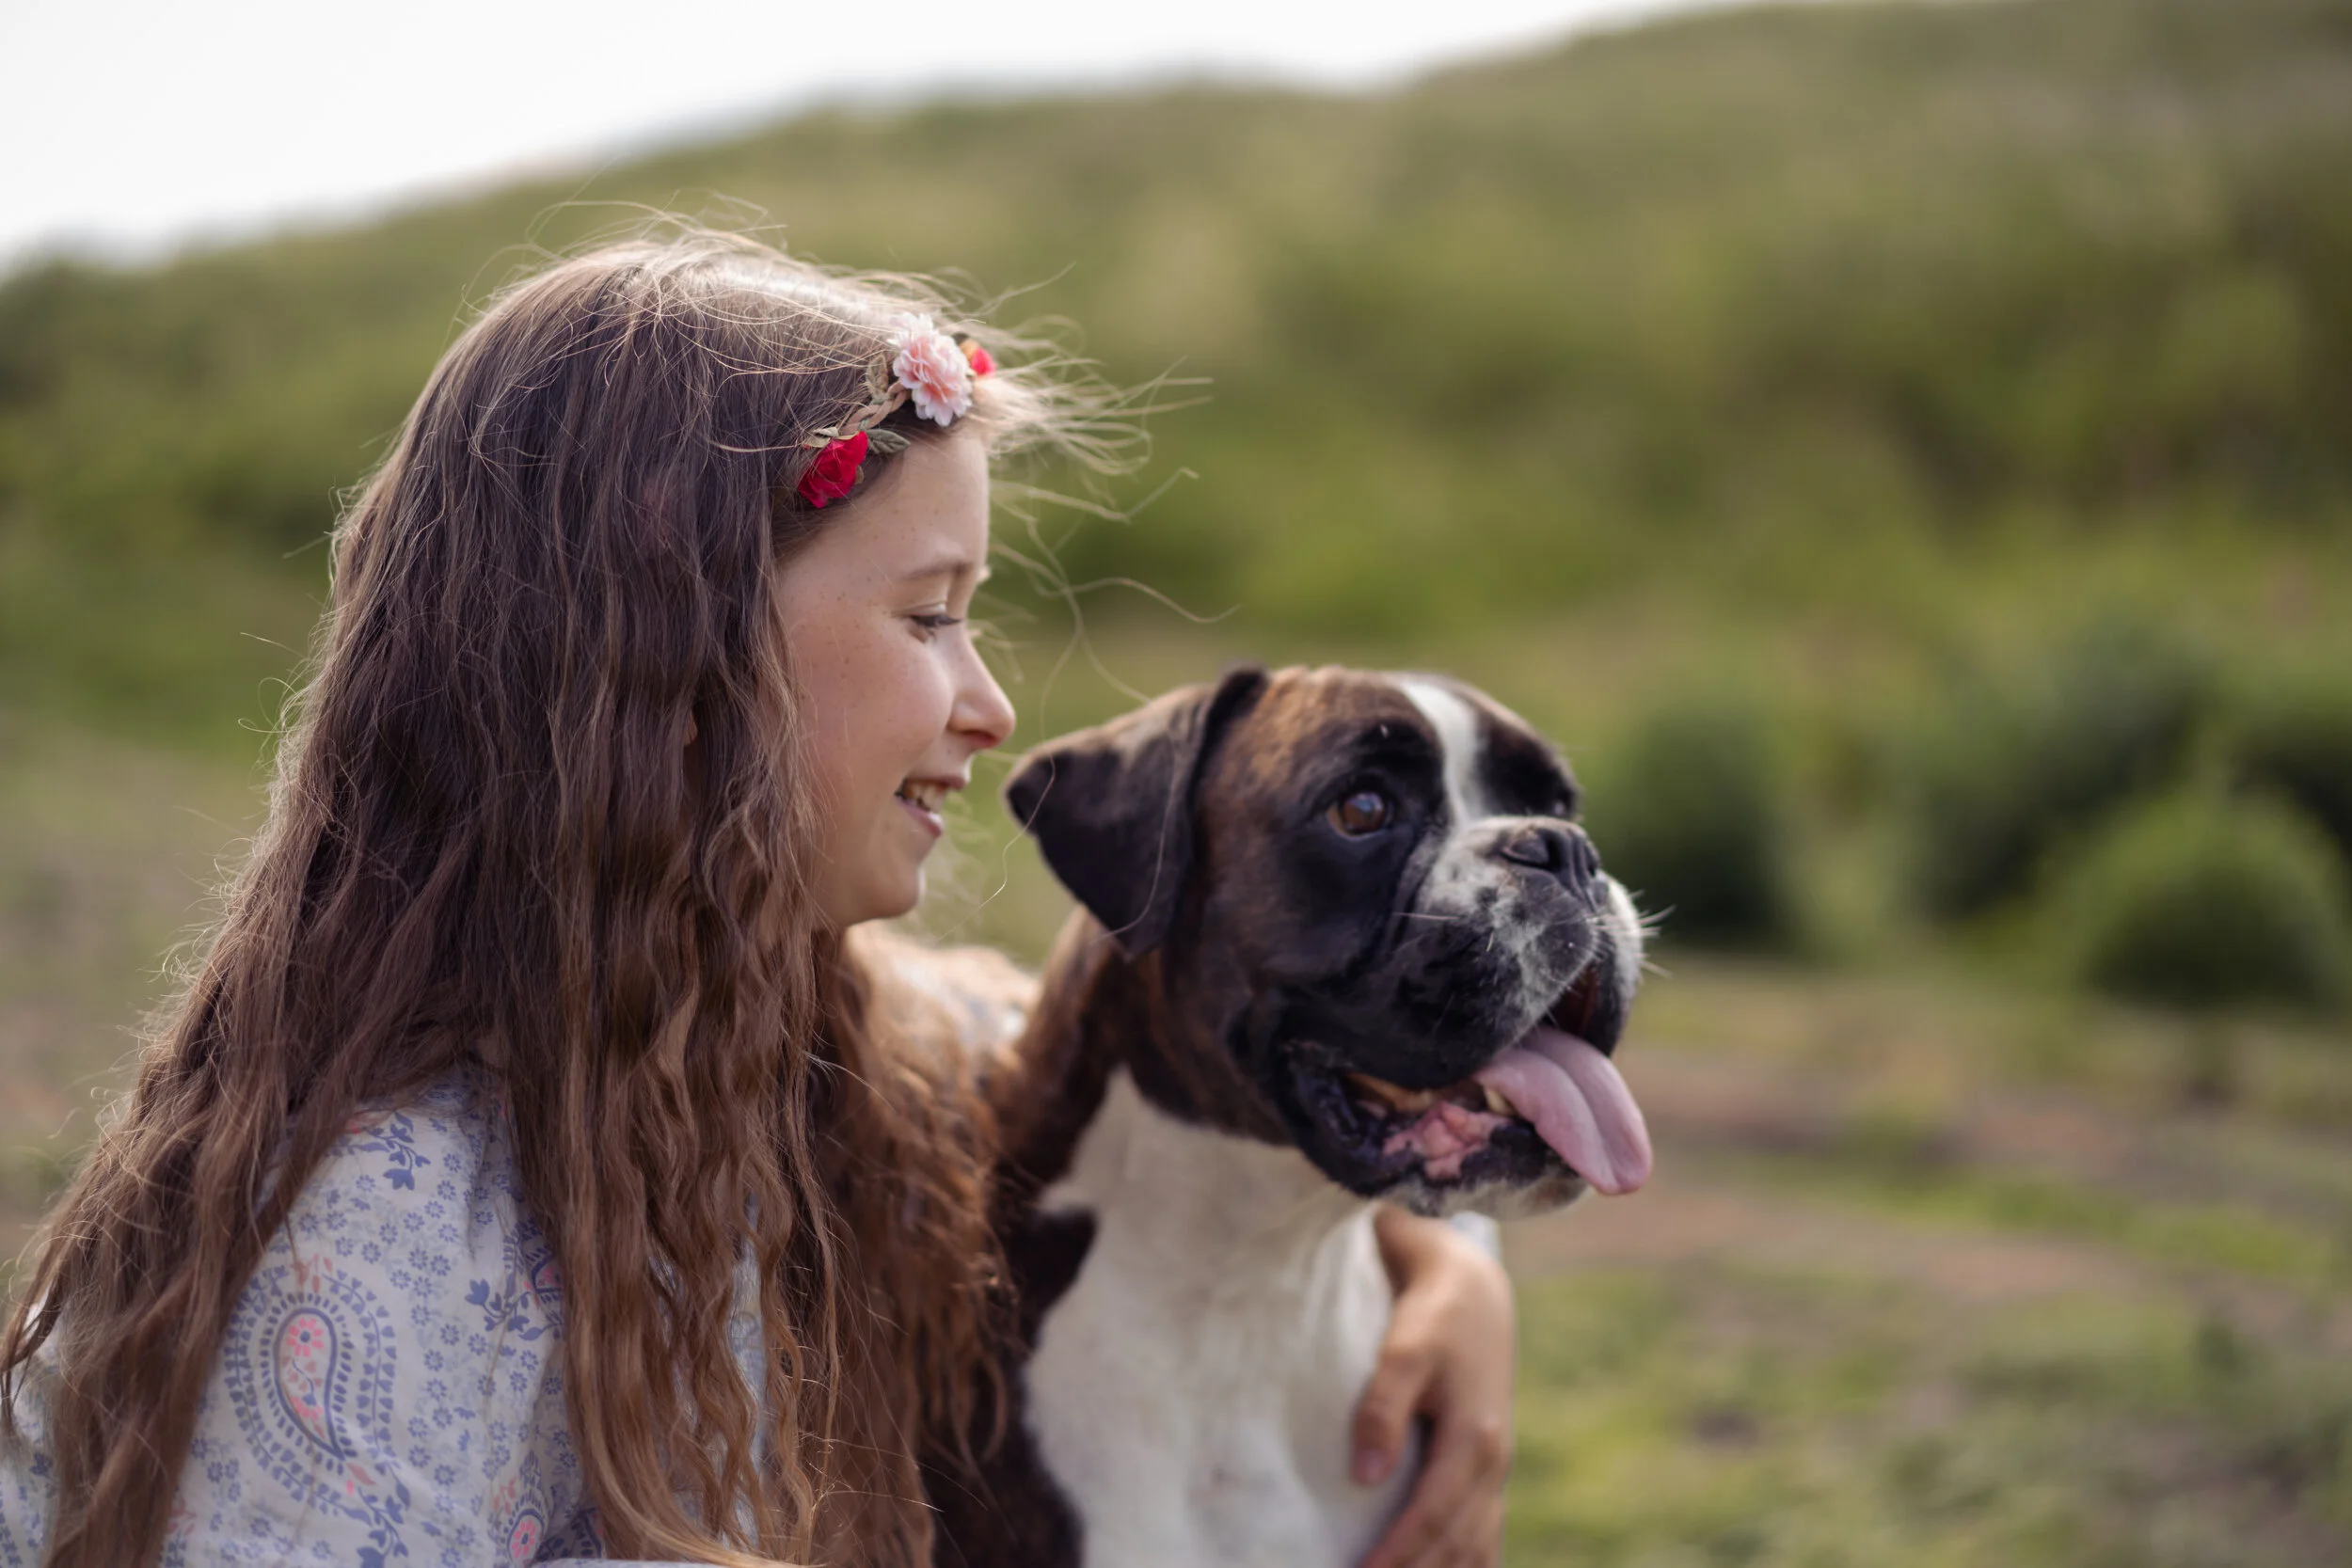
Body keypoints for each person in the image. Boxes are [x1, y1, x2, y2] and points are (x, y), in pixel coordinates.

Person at [0, 232, 1516, 1568]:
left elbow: (1158, 1082)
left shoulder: (860, 1049)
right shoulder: (369, 1227)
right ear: (670, 673)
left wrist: (1448, 1268)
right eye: (928, 615)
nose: (991, 703)